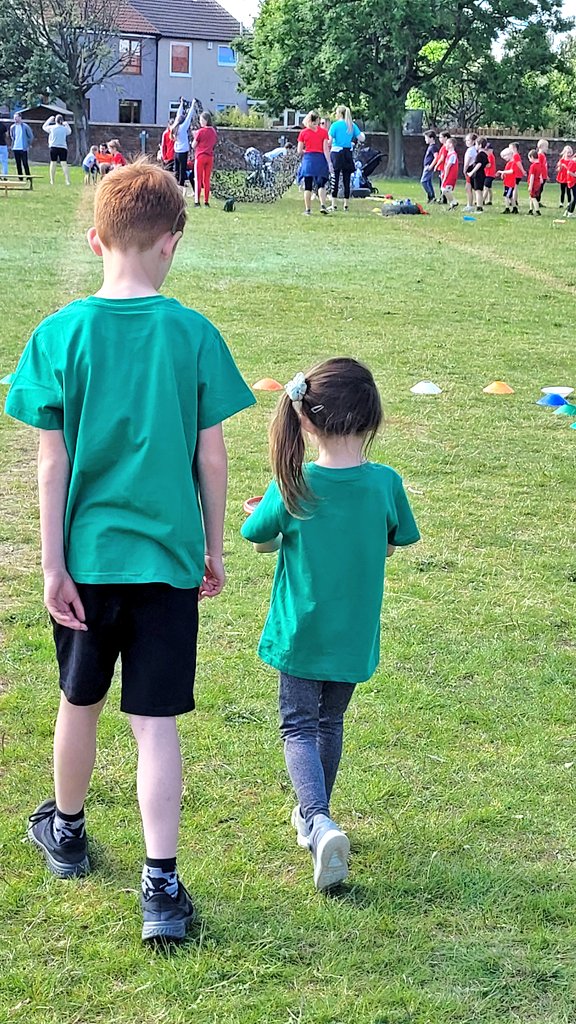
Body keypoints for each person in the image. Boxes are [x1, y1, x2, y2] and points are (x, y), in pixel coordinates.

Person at [4, 160, 255, 942]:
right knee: (155, 723)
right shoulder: (193, 333)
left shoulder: (60, 333)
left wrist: (51, 564)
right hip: (167, 565)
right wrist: (213, 547)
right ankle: (160, 888)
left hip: (85, 566)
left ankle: (68, 832)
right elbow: (211, 459)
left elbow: (51, 463)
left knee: (79, 702)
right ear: (171, 244)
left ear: (94, 240)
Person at [240, 358, 420, 891]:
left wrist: (268, 511)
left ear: (306, 421)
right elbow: (391, 543)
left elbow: (257, 534)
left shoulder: (292, 483)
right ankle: (317, 819)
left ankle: (316, 821)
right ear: (373, 419)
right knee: (330, 721)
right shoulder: (386, 484)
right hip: (352, 634)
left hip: (301, 635)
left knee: (298, 724)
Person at [328, 105, 365, 212]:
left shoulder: (334, 125)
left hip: (336, 153)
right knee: (346, 179)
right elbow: (361, 138)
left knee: (335, 178)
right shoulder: (351, 125)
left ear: (339, 114)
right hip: (347, 153)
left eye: (336, 112)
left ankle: (334, 204)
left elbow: (329, 141)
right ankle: (346, 204)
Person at [297, 111, 331, 216]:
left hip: (308, 159)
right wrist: (329, 162)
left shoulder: (303, 133)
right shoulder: (324, 132)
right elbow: (326, 149)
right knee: (321, 184)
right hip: (320, 159)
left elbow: (299, 150)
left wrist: (306, 152)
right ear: (318, 120)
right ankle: (323, 205)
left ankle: (308, 210)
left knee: (308, 186)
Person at [192, 111, 218, 208]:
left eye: (201, 120)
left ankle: (197, 201)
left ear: (205, 120)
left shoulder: (200, 132)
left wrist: (195, 136)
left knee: (198, 179)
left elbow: (193, 145)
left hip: (200, 156)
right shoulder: (213, 131)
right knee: (206, 180)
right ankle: (206, 201)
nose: (200, 122)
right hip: (210, 156)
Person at [172, 97, 196, 193]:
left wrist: (181, 104)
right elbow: (189, 116)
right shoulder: (182, 127)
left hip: (176, 152)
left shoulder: (174, 127)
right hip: (183, 152)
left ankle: (174, 185)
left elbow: (179, 114)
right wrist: (193, 104)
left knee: (176, 169)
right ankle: (180, 188)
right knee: (182, 170)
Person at [42, 114, 72, 185]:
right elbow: (70, 131)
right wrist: (66, 124)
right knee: (64, 163)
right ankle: (67, 180)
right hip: (63, 147)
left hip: (53, 147)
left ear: (55, 121)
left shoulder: (52, 128)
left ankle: (52, 180)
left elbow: (44, 127)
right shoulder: (64, 129)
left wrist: (49, 119)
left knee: (53, 163)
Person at [467, 136, 489, 212]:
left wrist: (471, 172)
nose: (475, 146)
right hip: (482, 174)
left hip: (478, 174)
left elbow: (479, 164)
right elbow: (488, 164)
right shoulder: (485, 154)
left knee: (478, 191)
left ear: (479, 145)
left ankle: (479, 207)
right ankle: (479, 206)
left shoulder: (479, 154)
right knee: (479, 190)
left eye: (476, 144)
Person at [10, 112, 33, 182]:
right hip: (15, 148)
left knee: (25, 163)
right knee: (18, 164)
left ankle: (28, 177)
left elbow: (31, 136)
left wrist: (27, 144)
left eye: (16, 117)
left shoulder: (25, 126)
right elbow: (12, 136)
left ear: (20, 118)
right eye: (14, 118)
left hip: (23, 148)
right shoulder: (12, 127)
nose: (15, 119)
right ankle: (20, 177)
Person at [431, 131, 450, 203]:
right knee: (441, 183)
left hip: (443, 168)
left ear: (445, 138)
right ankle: (442, 198)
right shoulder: (443, 146)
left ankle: (443, 199)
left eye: (441, 137)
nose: (439, 139)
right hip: (442, 168)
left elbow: (442, 158)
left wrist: (436, 165)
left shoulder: (445, 147)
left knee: (443, 184)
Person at [420, 130, 439, 203]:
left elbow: (436, 157)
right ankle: (432, 197)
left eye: (426, 138)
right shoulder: (430, 147)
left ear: (431, 138)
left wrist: (431, 166)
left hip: (428, 167)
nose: (425, 140)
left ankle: (430, 196)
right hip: (427, 166)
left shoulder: (433, 147)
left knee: (423, 181)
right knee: (428, 182)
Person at [440, 137, 459, 210]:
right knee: (443, 189)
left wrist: (445, 176)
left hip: (450, 176)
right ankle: (452, 203)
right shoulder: (449, 154)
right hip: (447, 175)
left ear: (451, 145)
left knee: (446, 190)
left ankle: (453, 202)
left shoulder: (453, 155)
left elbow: (448, 167)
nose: (445, 145)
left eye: (447, 143)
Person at [497, 147, 516, 214]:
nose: (504, 158)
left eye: (505, 156)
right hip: (507, 182)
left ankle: (507, 208)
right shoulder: (508, 163)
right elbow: (506, 170)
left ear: (510, 154)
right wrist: (503, 174)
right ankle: (514, 208)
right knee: (510, 196)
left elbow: (511, 171)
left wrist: (502, 172)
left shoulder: (513, 163)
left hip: (510, 183)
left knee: (506, 196)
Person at [463, 132, 478, 211]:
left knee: (468, 188)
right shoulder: (475, 150)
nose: (467, 142)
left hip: (469, 169)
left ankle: (470, 205)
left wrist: (464, 170)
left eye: (468, 140)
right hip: (473, 169)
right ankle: (470, 204)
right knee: (469, 187)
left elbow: (467, 161)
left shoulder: (470, 150)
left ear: (473, 141)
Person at [527, 150, 543, 217]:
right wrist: (541, 179)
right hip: (538, 184)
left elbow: (532, 176)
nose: (529, 160)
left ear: (532, 157)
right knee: (531, 197)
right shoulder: (539, 164)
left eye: (529, 158)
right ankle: (531, 210)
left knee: (533, 198)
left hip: (533, 184)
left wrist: (530, 186)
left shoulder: (533, 166)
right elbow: (540, 174)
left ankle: (537, 210)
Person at [510, 142, 525, 213]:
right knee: (515, 188)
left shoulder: (516, 155)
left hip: (516, 174)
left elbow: (519, 164)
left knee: (514, 188)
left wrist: (523, 171)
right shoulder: (515, 155)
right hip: (517, 174)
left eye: (511, 148)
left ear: (514, 148)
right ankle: (514, 200)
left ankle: (514, 200)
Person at [536, 139, 549, 206]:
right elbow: (539, 167)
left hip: (544, 175)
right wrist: (540, 176)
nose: (547, 148)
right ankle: (536, 201)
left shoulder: (543, 155)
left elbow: (544, 166)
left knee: (541, 189)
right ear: (541, 146)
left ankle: (538, 201)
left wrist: (546, 175)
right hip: (541, 176)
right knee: (539, 189)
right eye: (546, 147)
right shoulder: (540, 155)